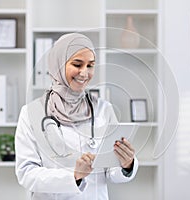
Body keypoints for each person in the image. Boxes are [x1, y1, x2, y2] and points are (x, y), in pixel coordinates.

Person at [15, 33, 139, 199]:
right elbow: (26, 173)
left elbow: (111, 171)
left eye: (90, 65)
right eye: (77, 64)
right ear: (58, 65)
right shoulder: (32, 113)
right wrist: (74, 176)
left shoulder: (103, 109)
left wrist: (126, 164)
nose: (84, 73)